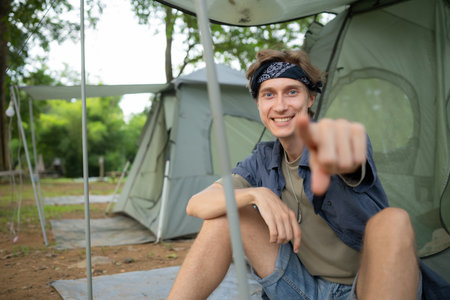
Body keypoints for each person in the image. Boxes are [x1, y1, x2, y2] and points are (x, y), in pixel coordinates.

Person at [167, 49, 449, 300]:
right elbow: (196, 204)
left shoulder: (335, 138)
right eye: (269, 94)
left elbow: (347, 156)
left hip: (365, 289)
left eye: (292, 91)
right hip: (299, 287)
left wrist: (342, 160)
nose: (280, 106)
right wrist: (256, 194)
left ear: (310, 97)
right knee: (227, 211)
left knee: (393, 220)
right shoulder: (262, 158)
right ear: (258, 104)